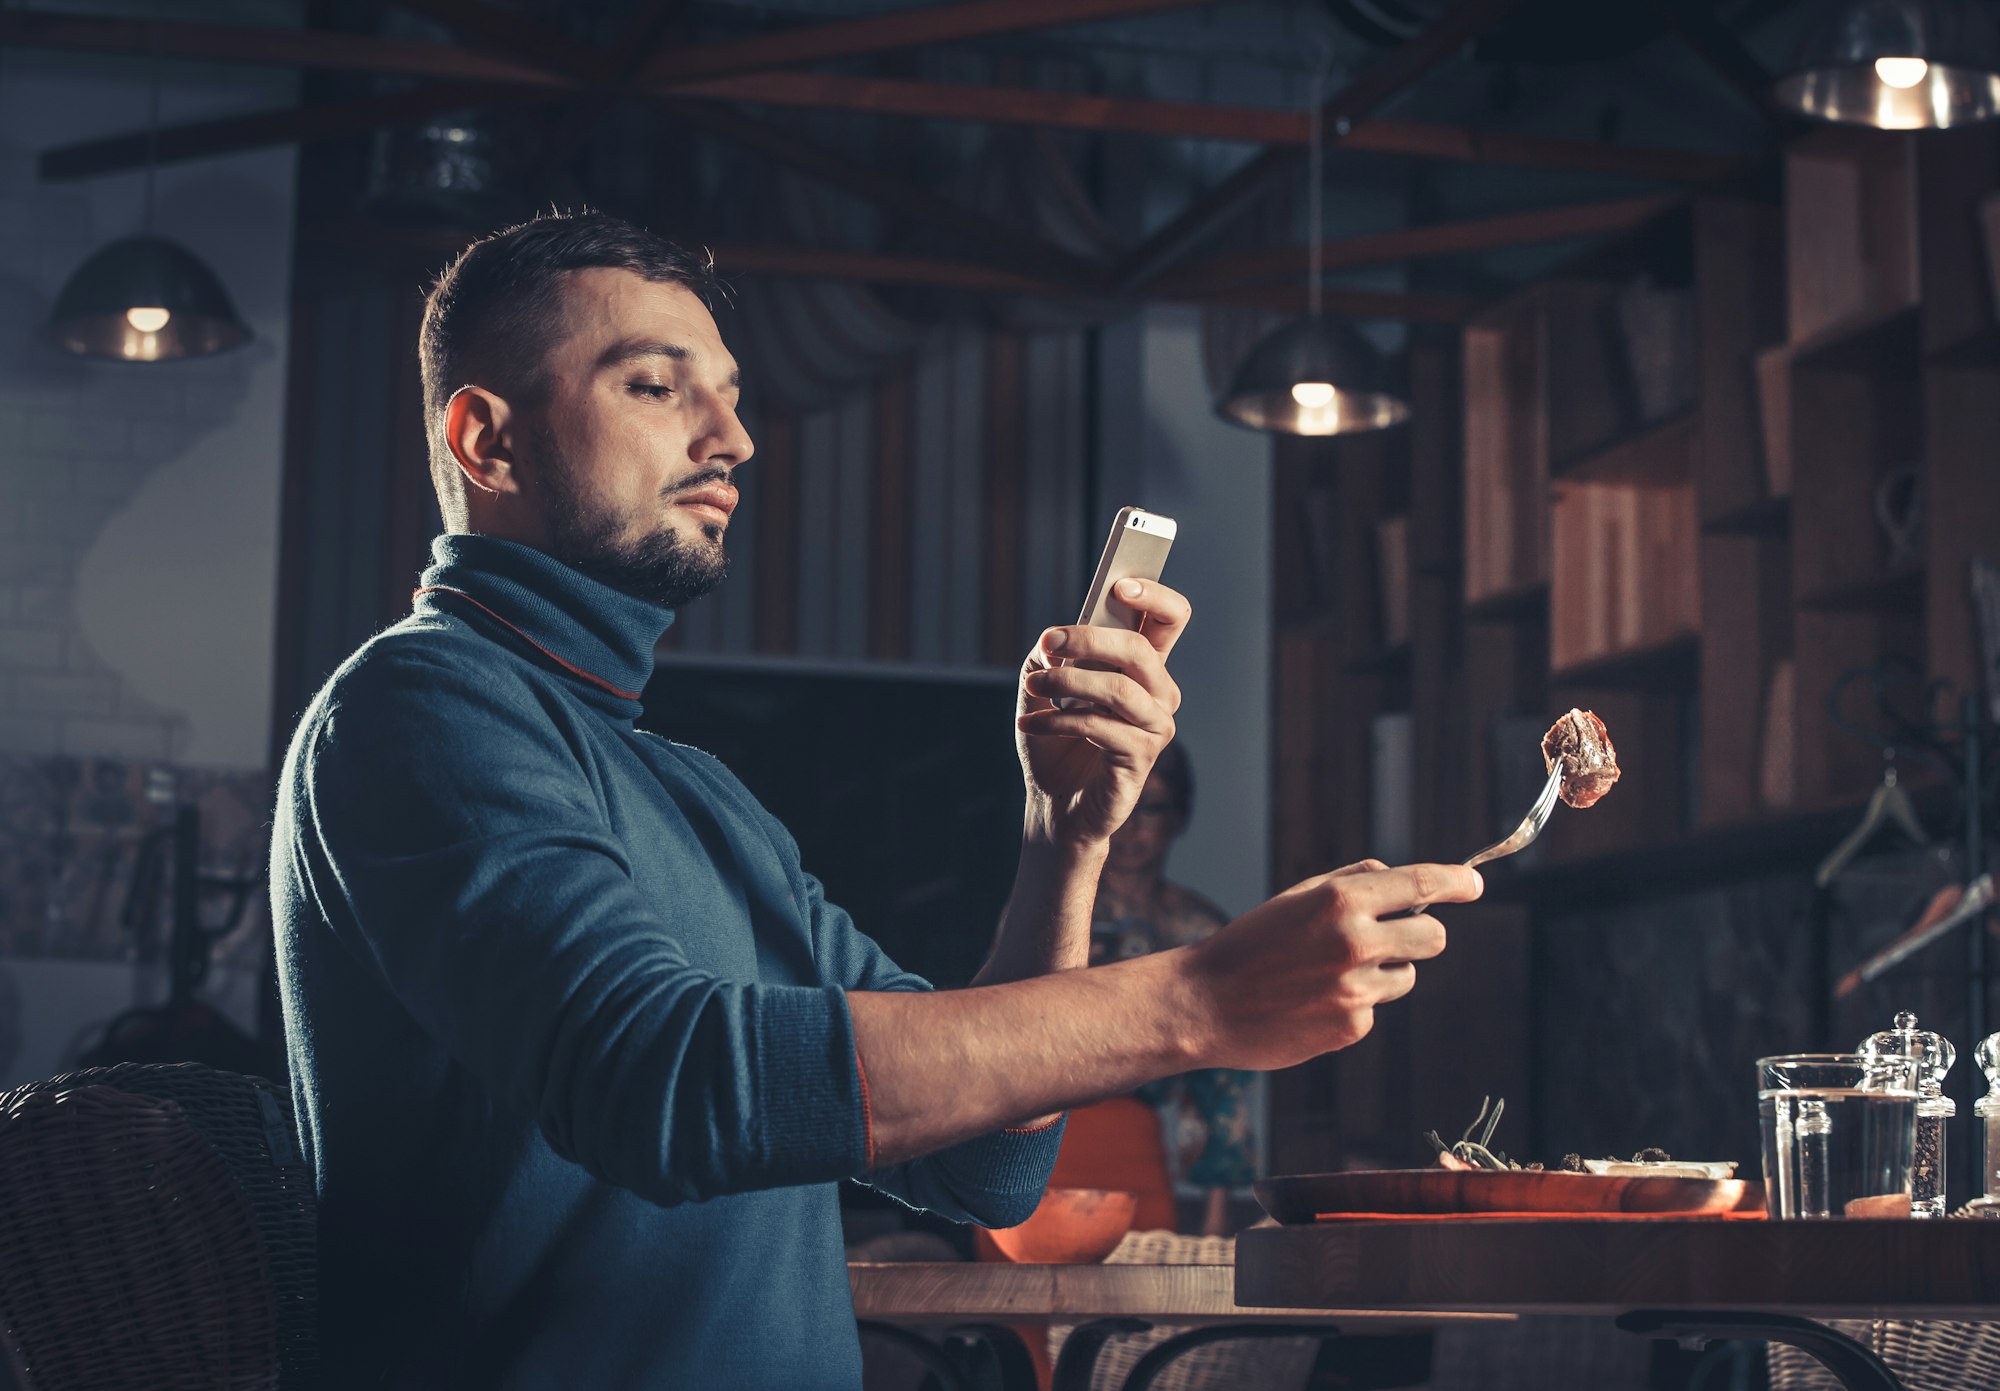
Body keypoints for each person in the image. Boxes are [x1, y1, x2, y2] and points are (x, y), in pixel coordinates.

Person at [269, 210, 1483, 1390]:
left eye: (732, 393)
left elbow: (984, 1168)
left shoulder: (700, 793)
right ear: (487, 441)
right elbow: (663, 1080)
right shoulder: (419, 704)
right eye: (655, 385)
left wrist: (1060, 845)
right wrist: (1195, 998)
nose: (732, 437)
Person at [1085, 741, 1257, 1236]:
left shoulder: (1199, 926)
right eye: (1122, 805)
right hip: (1058, 1080)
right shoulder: (1049, 912)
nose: (1135, 826)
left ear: (1177, 818)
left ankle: (1214, 1226)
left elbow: (1224, 1069)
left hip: (1154, 1084)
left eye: (1153, 807)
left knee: (1229, 1032)